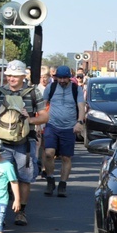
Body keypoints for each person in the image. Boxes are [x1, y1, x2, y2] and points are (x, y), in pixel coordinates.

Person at [0, 59, 48, 227]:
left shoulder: (33, 93)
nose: (11, 78)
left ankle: (21, 211)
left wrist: (29, 119)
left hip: (25, 143)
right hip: (1, 142)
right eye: (9, 75)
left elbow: (45, 116)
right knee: (0, 178)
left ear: (22, 76)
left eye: (14, 76)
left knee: (24, 178)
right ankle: (0, 213)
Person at [42, 66, 85, 197]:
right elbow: (43, 105)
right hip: (52, 125)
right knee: (49, 153)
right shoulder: (51, 87)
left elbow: (81, 107)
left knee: (66, 157)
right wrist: (40, 122)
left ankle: (62, 184)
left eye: (64, 78)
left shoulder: (76, 89)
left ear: (69, 77)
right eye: (59, 78)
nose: (61, 80)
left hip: (68, 127)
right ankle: (50, 180)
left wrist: (80, 122)